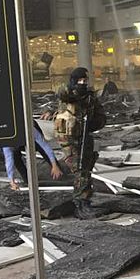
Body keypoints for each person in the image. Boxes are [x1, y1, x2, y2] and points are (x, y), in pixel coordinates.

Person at [54, 67, 106, 212]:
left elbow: (101, 116)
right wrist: (74, 90)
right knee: (80, 170)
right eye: (79, 80)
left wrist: (93, 123)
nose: (82, 83)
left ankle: (84, 199)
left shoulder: (90, 98)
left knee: (86, 168)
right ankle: (80, 201)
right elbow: (61, 92)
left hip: (85, 136)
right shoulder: (68, 95)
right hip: (69, 139)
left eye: (85, 80)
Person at [3, 120, 62, 190]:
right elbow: (9, 161)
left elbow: (45, 147)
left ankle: (58, 171)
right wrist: (12, 182)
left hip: (30, 133)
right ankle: (28, 180)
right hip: (14, 139)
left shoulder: (30, 129)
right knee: (15, 157)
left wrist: (54, 165)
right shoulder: (7, 142)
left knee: (41, 148)